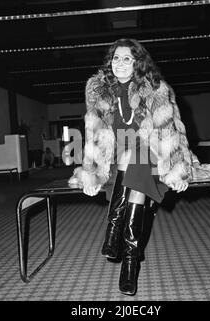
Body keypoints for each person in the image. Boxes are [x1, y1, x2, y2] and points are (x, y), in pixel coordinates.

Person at [69, 38, 192, 296]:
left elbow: (173, 133)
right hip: (119, 165)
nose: (120, 63)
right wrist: (90, 175)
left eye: (127, 58)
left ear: (137, 63)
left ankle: (117, 238)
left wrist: (178, 170)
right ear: (109, 63)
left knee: (135, 155)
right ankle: (130, 258)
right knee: (129, 162)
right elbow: (93, 136)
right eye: (116, 58)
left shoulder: (155, 90)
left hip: (154, 160)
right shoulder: (99, 92)